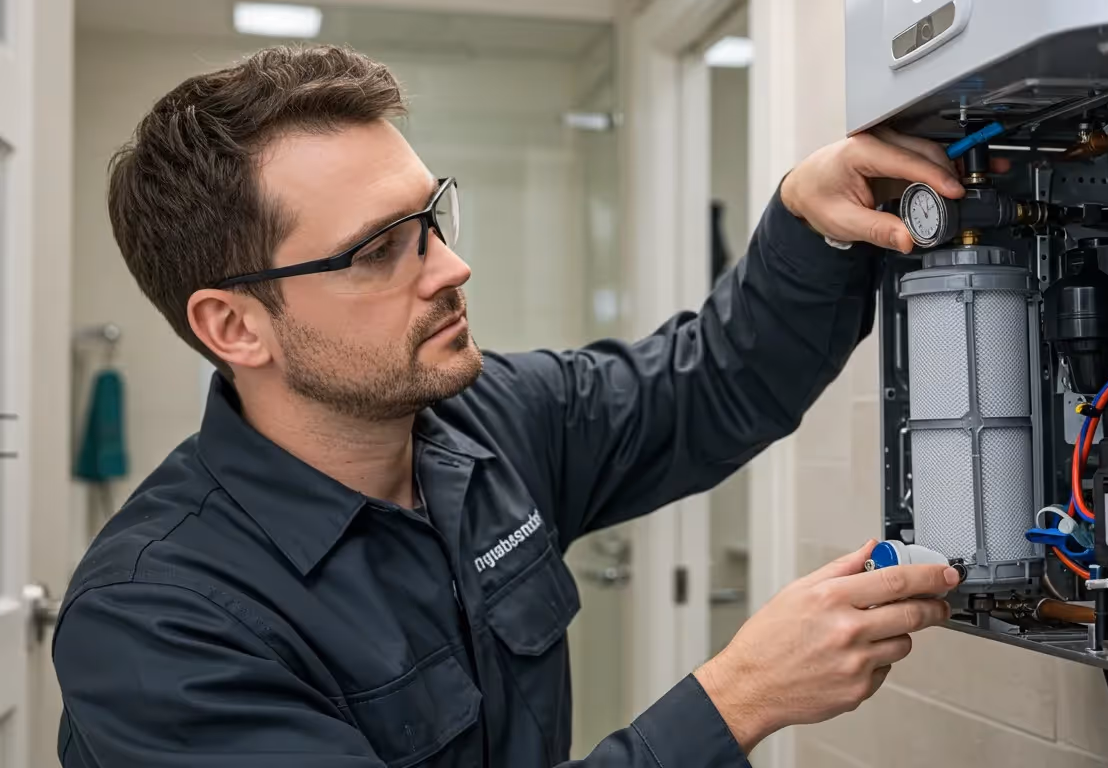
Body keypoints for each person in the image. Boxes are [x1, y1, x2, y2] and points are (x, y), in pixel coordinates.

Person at [51, 45, 973, 768]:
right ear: (235, 327)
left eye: (432, 219)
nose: (450, 268)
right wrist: (738, 700)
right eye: (379, 250)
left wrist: (809, 218)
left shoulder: (485, 424)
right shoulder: (158, 624)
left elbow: (715, 381)